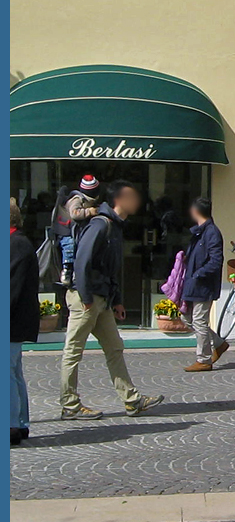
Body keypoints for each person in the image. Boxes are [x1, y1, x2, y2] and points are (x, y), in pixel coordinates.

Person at [59, 180, 164, 421]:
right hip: (87, 297)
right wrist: (85, 297)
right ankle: (69, 405)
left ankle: (132, 400)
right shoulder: (100, 224)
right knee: (73, 352)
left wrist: (116, 300)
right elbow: (82, 262)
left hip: (101, 298)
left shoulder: (115, 226)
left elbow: (111, 268)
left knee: (114, 348)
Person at [182, 198, 229, 372]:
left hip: (203, 285)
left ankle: (204, 359)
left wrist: (197, 275)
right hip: (193, 283)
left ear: (196, 211)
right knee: (186, 318)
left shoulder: (211, 232)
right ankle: (218, 344)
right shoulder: (199, 232)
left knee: (199, 321)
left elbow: (216, 261)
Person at [10, 198, 39, 446]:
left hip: (12, 320)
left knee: (8, 374)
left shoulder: (16, 243)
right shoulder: (16, 242)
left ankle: (12, 425)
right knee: (13, 372)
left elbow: (11, 287)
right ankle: (19, 423)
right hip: (15, 320)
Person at [57, 175, 102, 286]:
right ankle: (67, 270)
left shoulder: (89, 201)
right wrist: (89, 212)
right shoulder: (77, 199)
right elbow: (75, 214)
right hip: (67, 232)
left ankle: (77, 273)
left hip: (78, 232)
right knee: (69, 248)